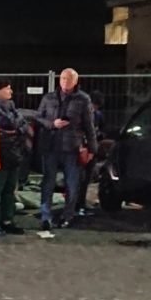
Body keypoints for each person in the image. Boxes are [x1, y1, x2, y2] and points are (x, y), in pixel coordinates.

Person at [35, 68, 96, 231]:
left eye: (68, 79)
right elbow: (39, 117)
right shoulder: (49, 97)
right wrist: (52, 124)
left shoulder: (83, 99)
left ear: (75, 81)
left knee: (72, 184)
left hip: (72, 147)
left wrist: (91, 148)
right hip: (51, 146)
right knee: (48, 182)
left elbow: (89, 125)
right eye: (62, 78)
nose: (64, 82)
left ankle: (67, 216)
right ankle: (45, 216)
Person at [0, 78, 29, 236]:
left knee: (9, 190)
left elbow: (23, 124)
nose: (11, 91)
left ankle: (7, 220)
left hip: (13, 154)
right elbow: (8, 122)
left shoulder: (11, 106)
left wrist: (16, 128)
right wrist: (16, 127)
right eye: (7, 88)